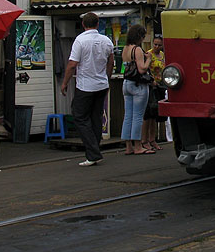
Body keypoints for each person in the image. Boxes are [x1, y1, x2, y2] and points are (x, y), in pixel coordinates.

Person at [61, 12, 114, 167]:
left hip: (85, 85)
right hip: (102, 84)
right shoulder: (106, 40)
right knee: (96, 117)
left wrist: (65, 82)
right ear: (97, 24)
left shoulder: (80, 40)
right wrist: (107, 77)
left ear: (83, 24)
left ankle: (93, 153)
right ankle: (95, 149)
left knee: (79, 116)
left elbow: (72, 64)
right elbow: (111, 61)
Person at [119, 24, 152, 155]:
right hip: (138, 85)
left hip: (126, 83)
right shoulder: (137, 49)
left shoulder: (125, 49)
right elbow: (142, 68)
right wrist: (148, 59)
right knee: (138, 116)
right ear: (139, 36)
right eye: (143, 36)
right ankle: (138, 146)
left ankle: (128, 147)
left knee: (128, 116)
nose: (143, 39)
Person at [142, 35, 168, 148]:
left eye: (159, 45)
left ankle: (153, 139)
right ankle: (144, 140)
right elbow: (145, 70)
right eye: (155, 44)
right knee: (148, 114)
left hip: (160, 86)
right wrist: (152, 81)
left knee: (155, 114)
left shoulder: (162, 55)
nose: (156, 47)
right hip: (151, 86)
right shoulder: (149, 54)